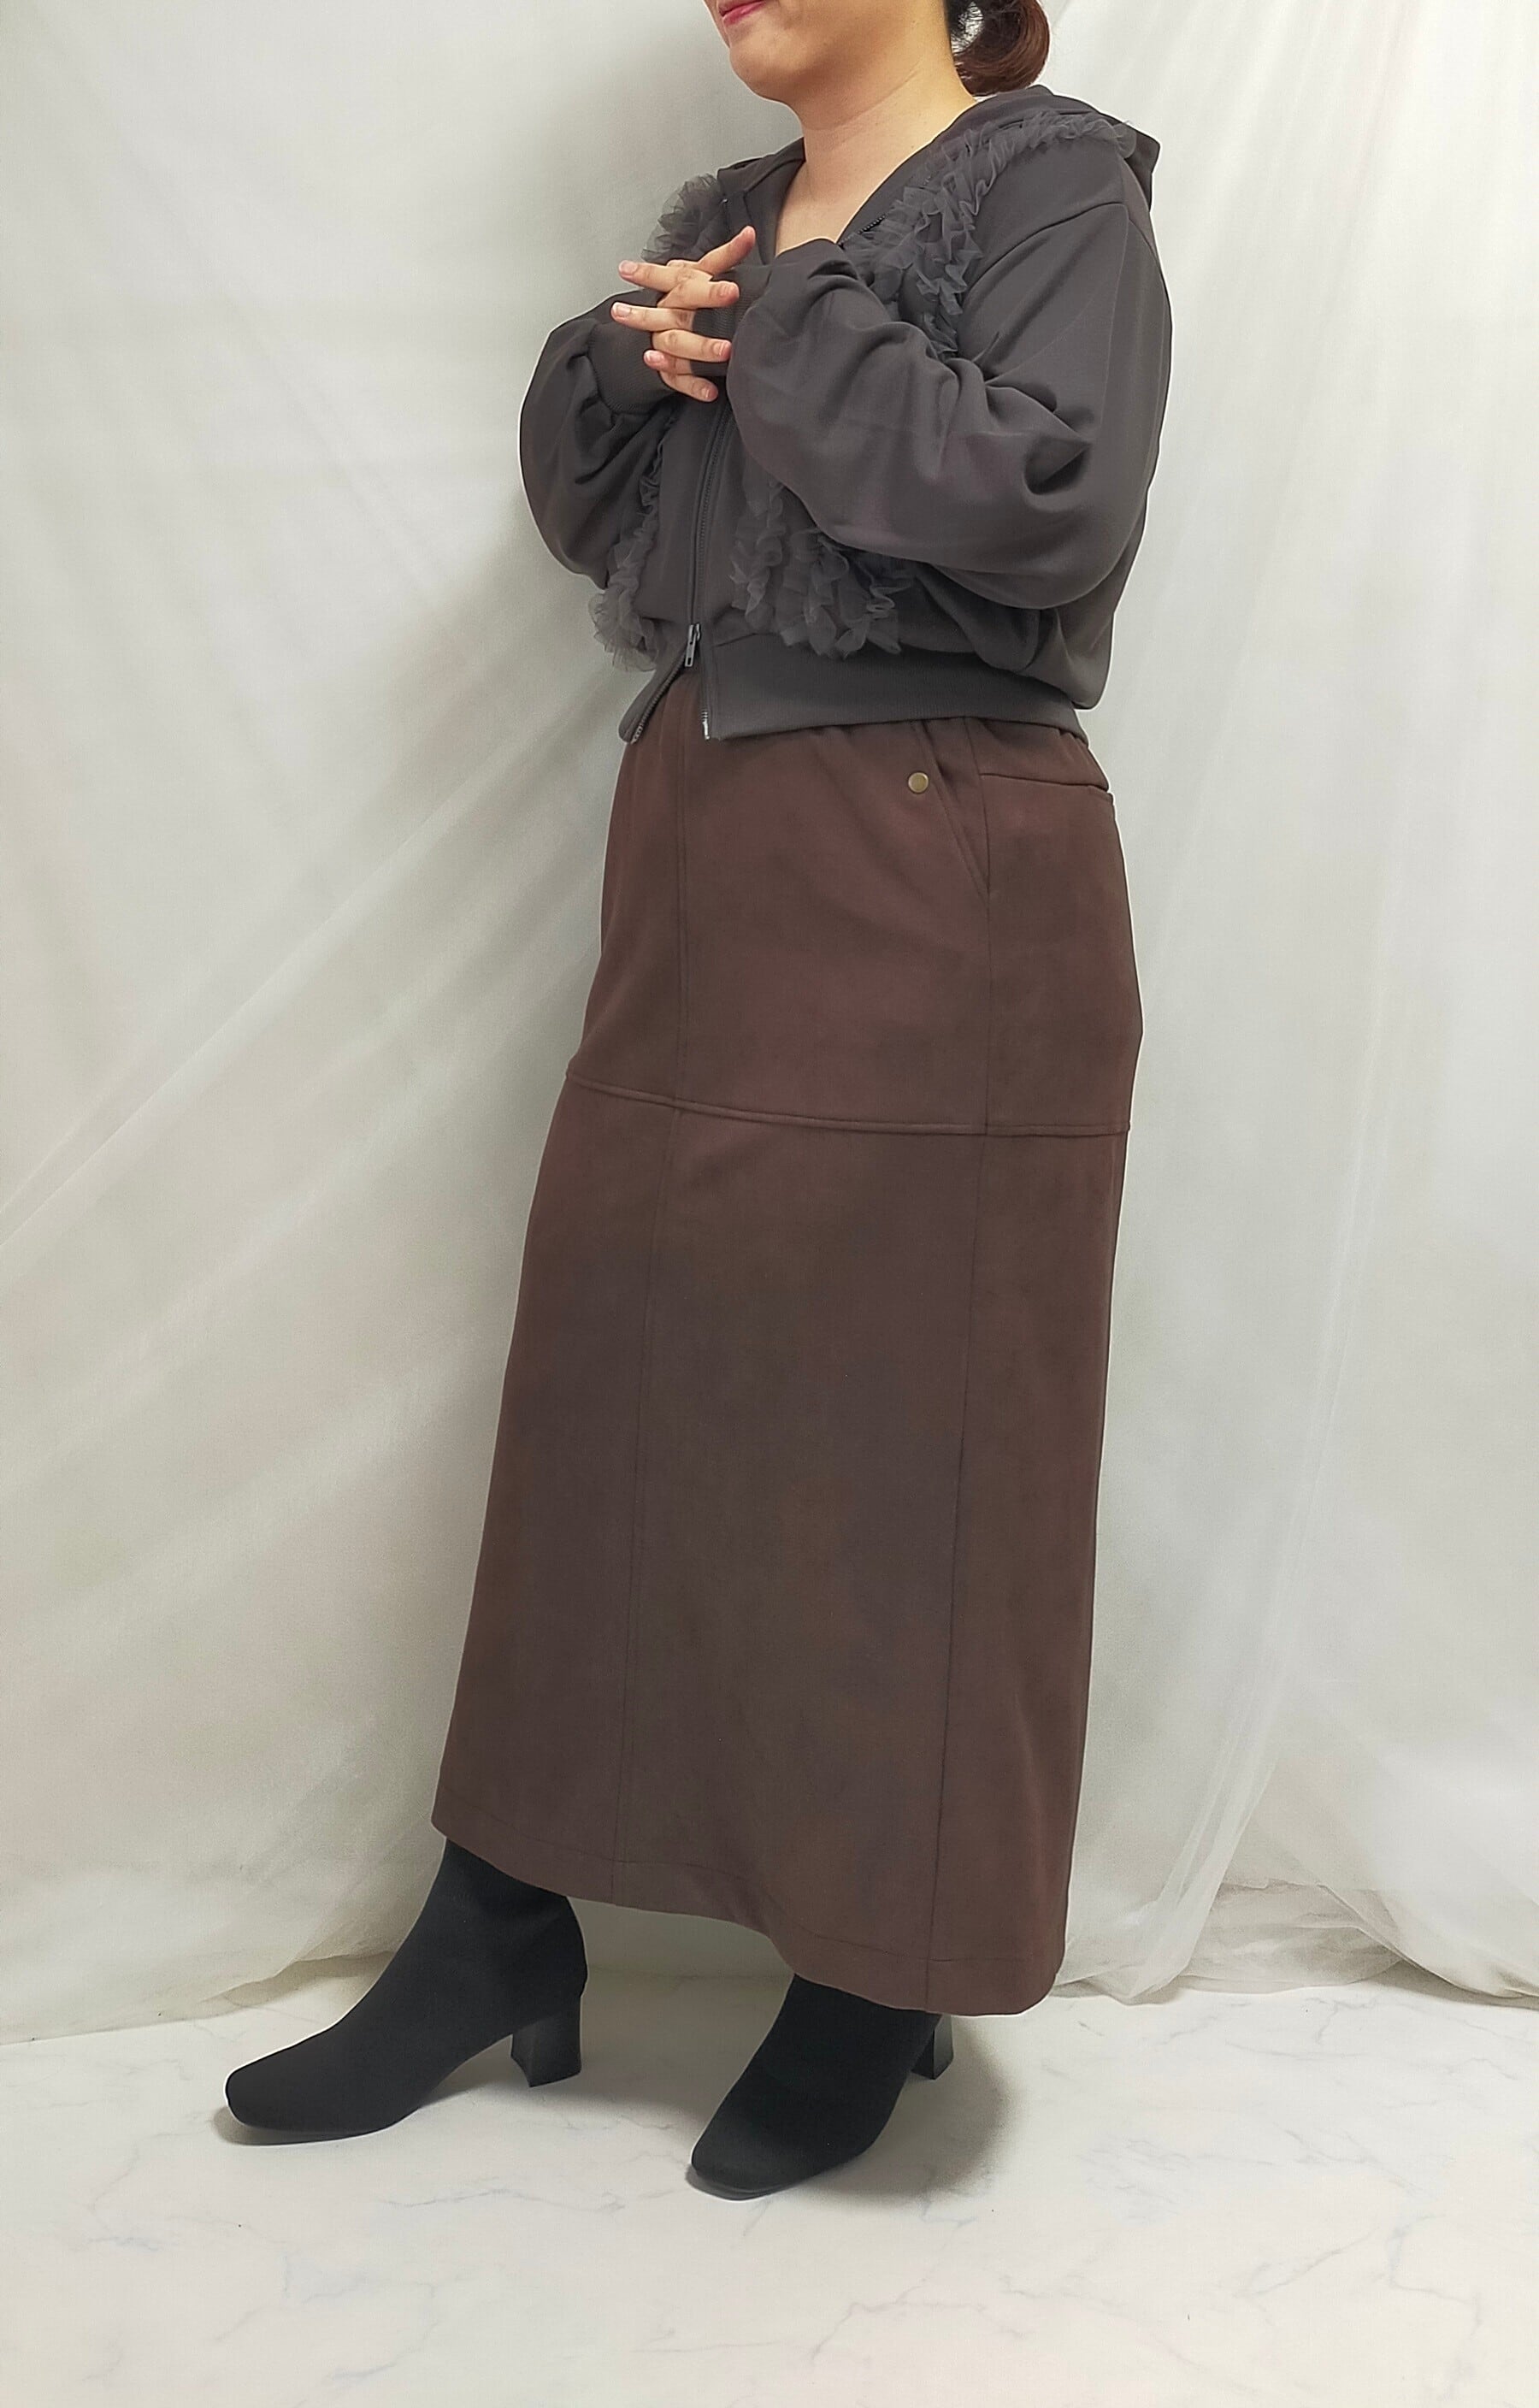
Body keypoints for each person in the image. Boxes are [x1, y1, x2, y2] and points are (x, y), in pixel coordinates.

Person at [226, 0, 1173, 2203]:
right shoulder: (736, 220)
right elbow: (626, 535)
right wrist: (637, 369)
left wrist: (784, 336)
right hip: (704, 834)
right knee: (615, 1375)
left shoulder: (1054, 184)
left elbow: (1049, 501)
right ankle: (501, 1914)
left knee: (913, 1423)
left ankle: (877, 1967)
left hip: (936, 848)